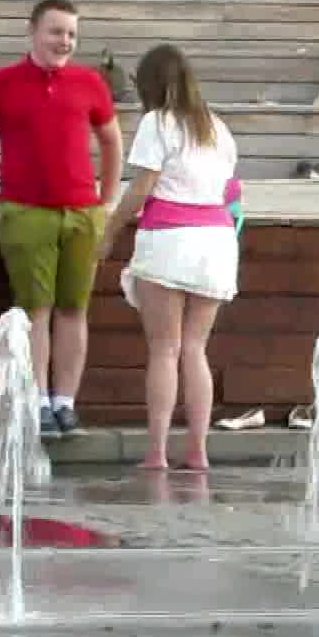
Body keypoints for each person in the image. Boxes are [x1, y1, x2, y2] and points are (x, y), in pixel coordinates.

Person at [0, 0, 122, 438]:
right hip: (26, 211)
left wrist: (105, 201)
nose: (64, 41)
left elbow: (111, 140)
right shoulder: (0, 82)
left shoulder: (89, 83)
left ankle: (66, 402)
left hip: (81, 212)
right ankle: (39, 400)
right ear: (33, 31)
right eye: (56, 31)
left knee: (74, 309)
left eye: (72, 34)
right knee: (35, 309)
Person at [95, 45, 242, 472]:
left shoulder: (157, 122)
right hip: (216, 241)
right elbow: (230, 191)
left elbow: (142, 187)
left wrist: (111, 231)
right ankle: (198, 450)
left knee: (164, 349)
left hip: (169, 240)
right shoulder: (217, 127)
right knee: (195, 349)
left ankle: (157, 452)